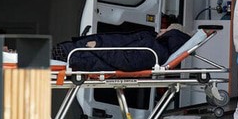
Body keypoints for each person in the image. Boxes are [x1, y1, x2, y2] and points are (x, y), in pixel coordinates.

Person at [51, 23, 191, 71]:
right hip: (82, 53)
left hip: (83, 55)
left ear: (171, 34)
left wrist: (98, 46)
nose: (162, 29)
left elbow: (126, 62)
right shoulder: (154, 44)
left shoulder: (155, 51)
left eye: (166, 30)